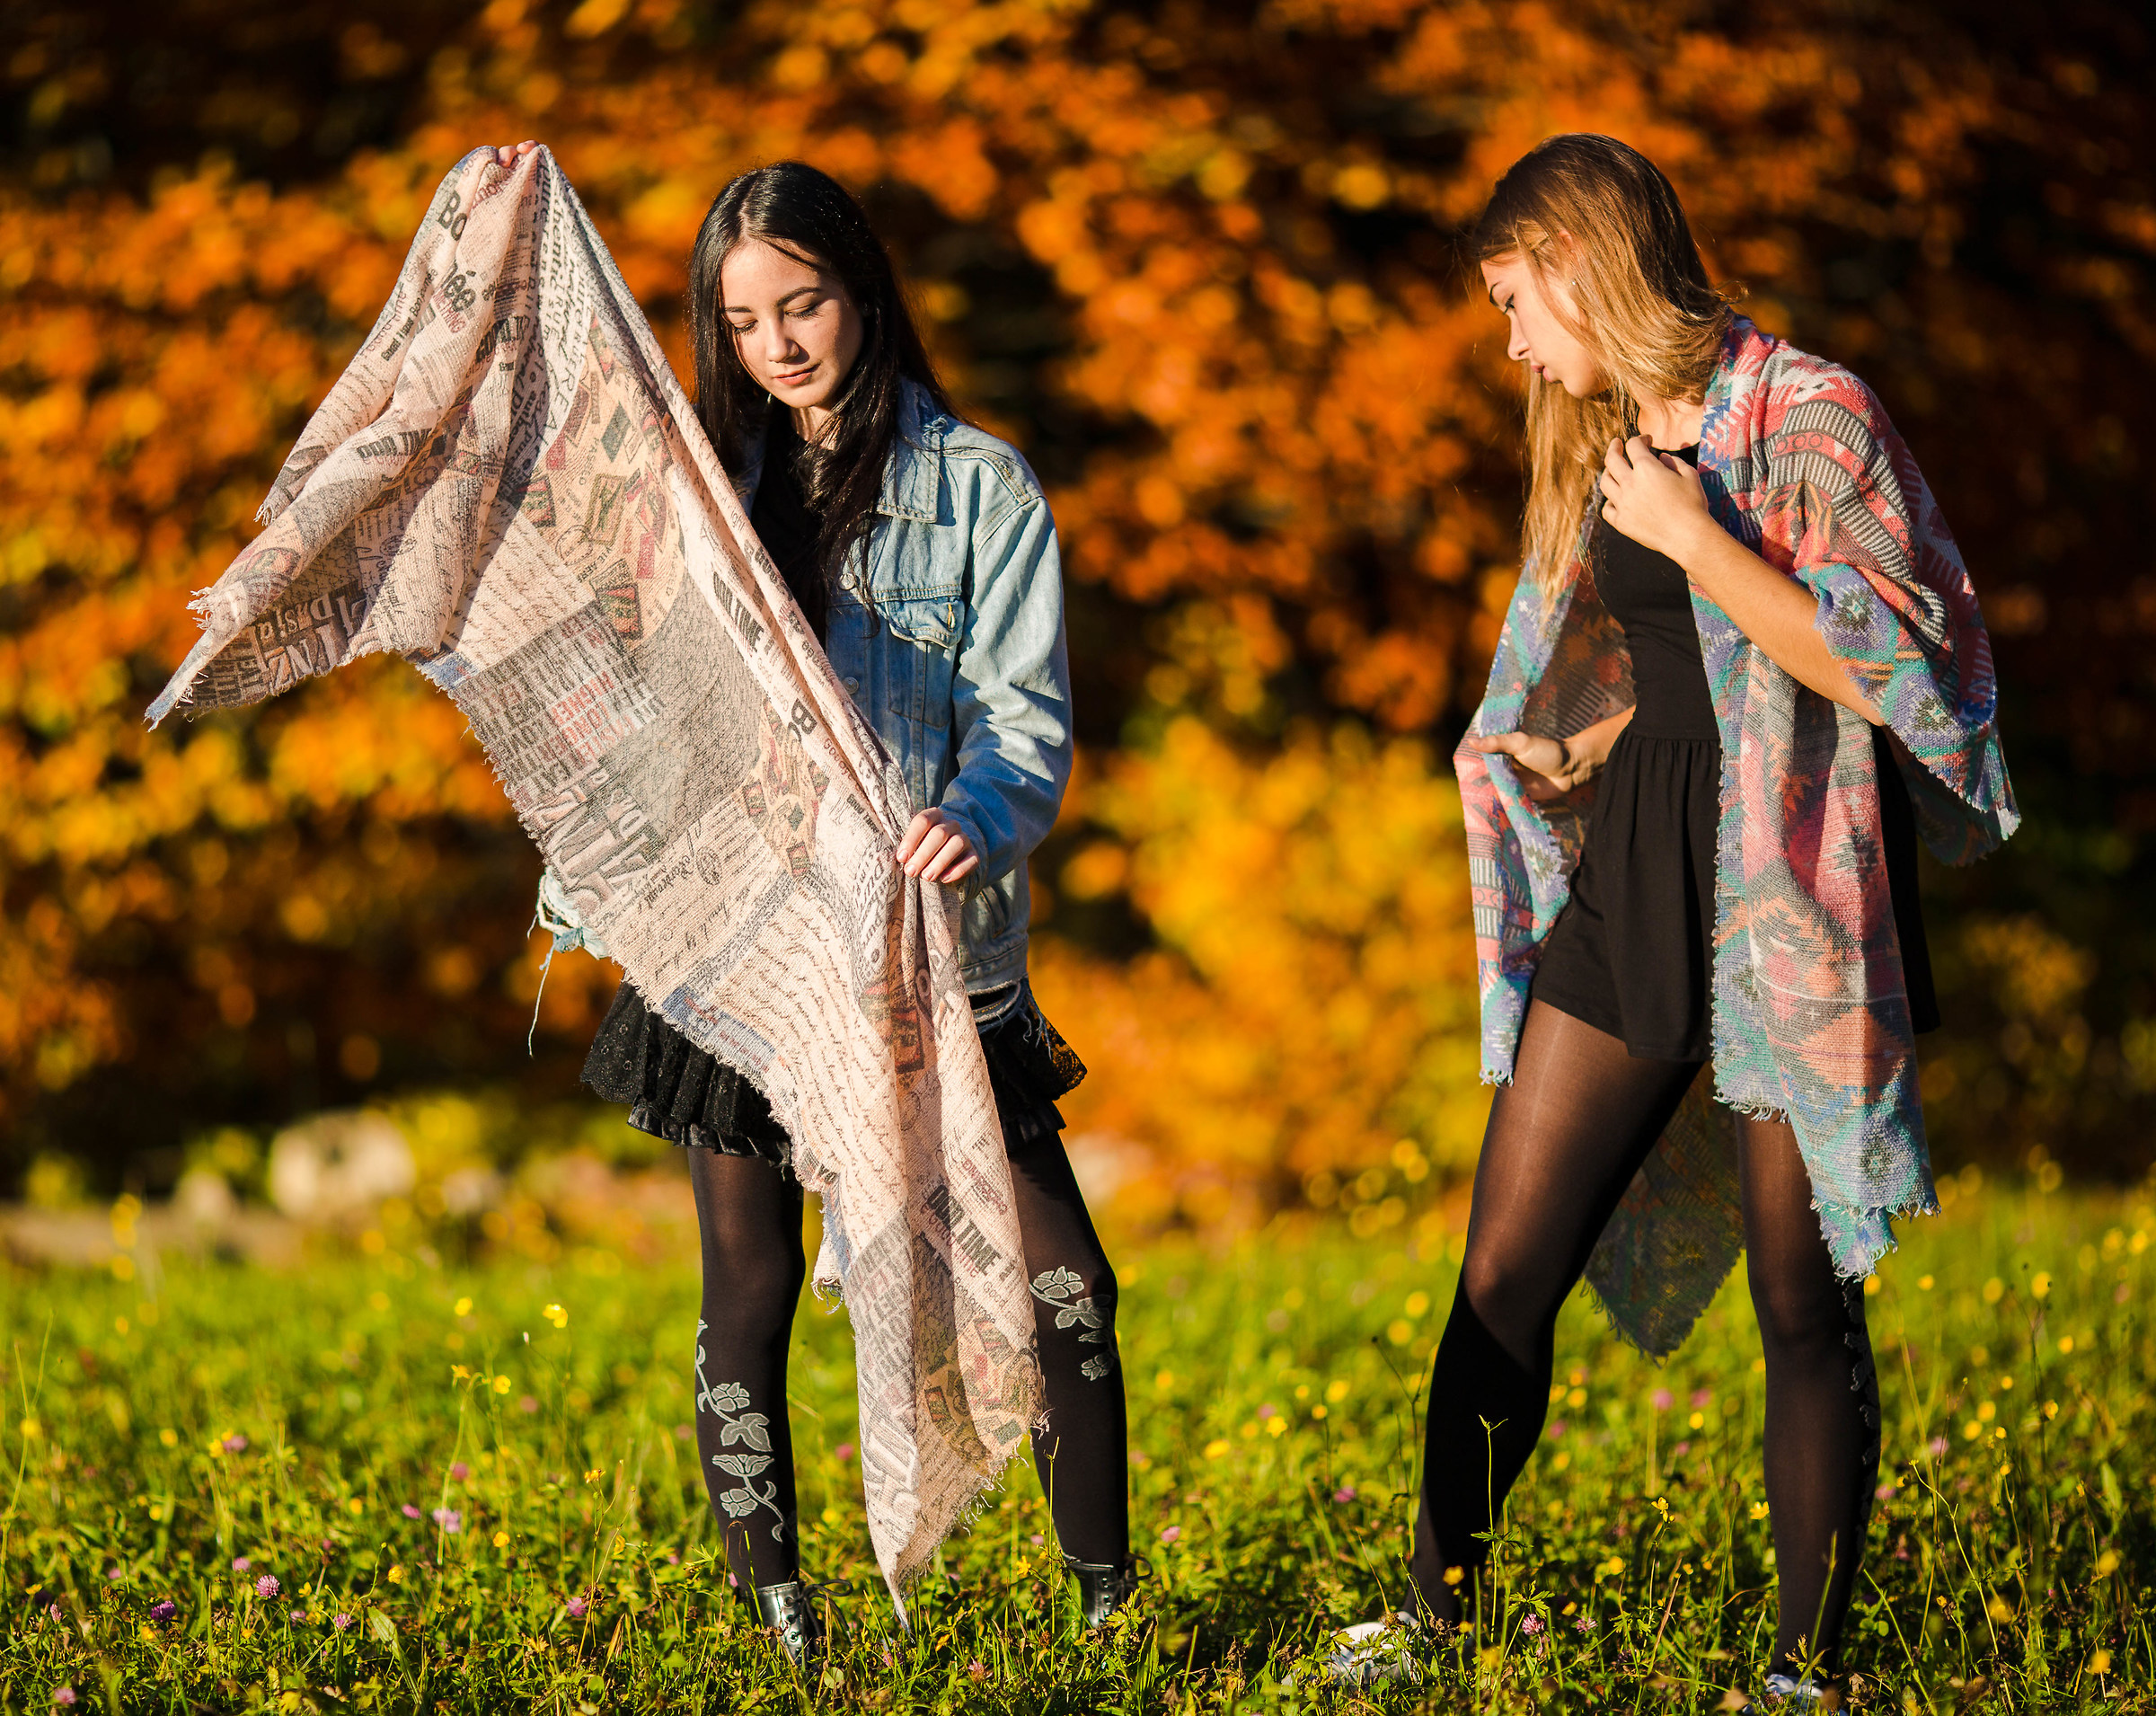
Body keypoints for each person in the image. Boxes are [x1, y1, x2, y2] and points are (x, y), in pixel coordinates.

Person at [491, 143, 1135, 1661]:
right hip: (750, 953)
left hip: (927, 962)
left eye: (806, 302)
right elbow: (629, 695)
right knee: (753, 1284)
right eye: (744, 319)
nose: (779, 342)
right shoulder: (702, 497)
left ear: (864, 292)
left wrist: (976, 814)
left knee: (1061, 1276)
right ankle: (782, 1619)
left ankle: (1113, 1619)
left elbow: (1025, 720)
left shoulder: (982, 491)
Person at [1401, 135, 2014, 1703]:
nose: (1512, 340)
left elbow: (1897, 675)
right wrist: (1583, 744)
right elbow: (1683, 670)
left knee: (1803, 1301)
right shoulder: (1603, 430)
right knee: (1500, 1275)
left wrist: (1698, 539)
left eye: (1519, 299)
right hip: (1640, 868)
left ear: (1590, 263)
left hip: (1795, 887)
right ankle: (1429, 1623)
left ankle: (1806, 1668)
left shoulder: (1811, 416)